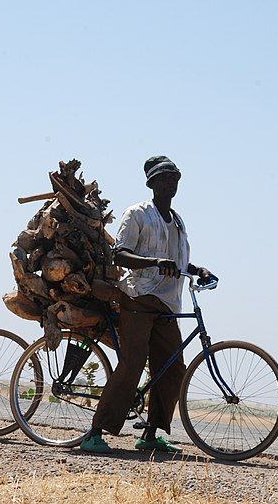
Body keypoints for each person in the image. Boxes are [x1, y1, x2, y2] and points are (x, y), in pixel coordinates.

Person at [80, 155, 217, 454]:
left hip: (167, 303)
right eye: (165, 178)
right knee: (132, 363)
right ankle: (95, 432)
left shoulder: (178, 221)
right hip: (139, 298)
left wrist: (197, 270)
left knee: (172, 369)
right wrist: (154, 262)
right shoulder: (137, 214)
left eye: (175, 178)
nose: (171, 183)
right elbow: (121, 255)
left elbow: (176, 261)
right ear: (152, 183)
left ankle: (151, 434)